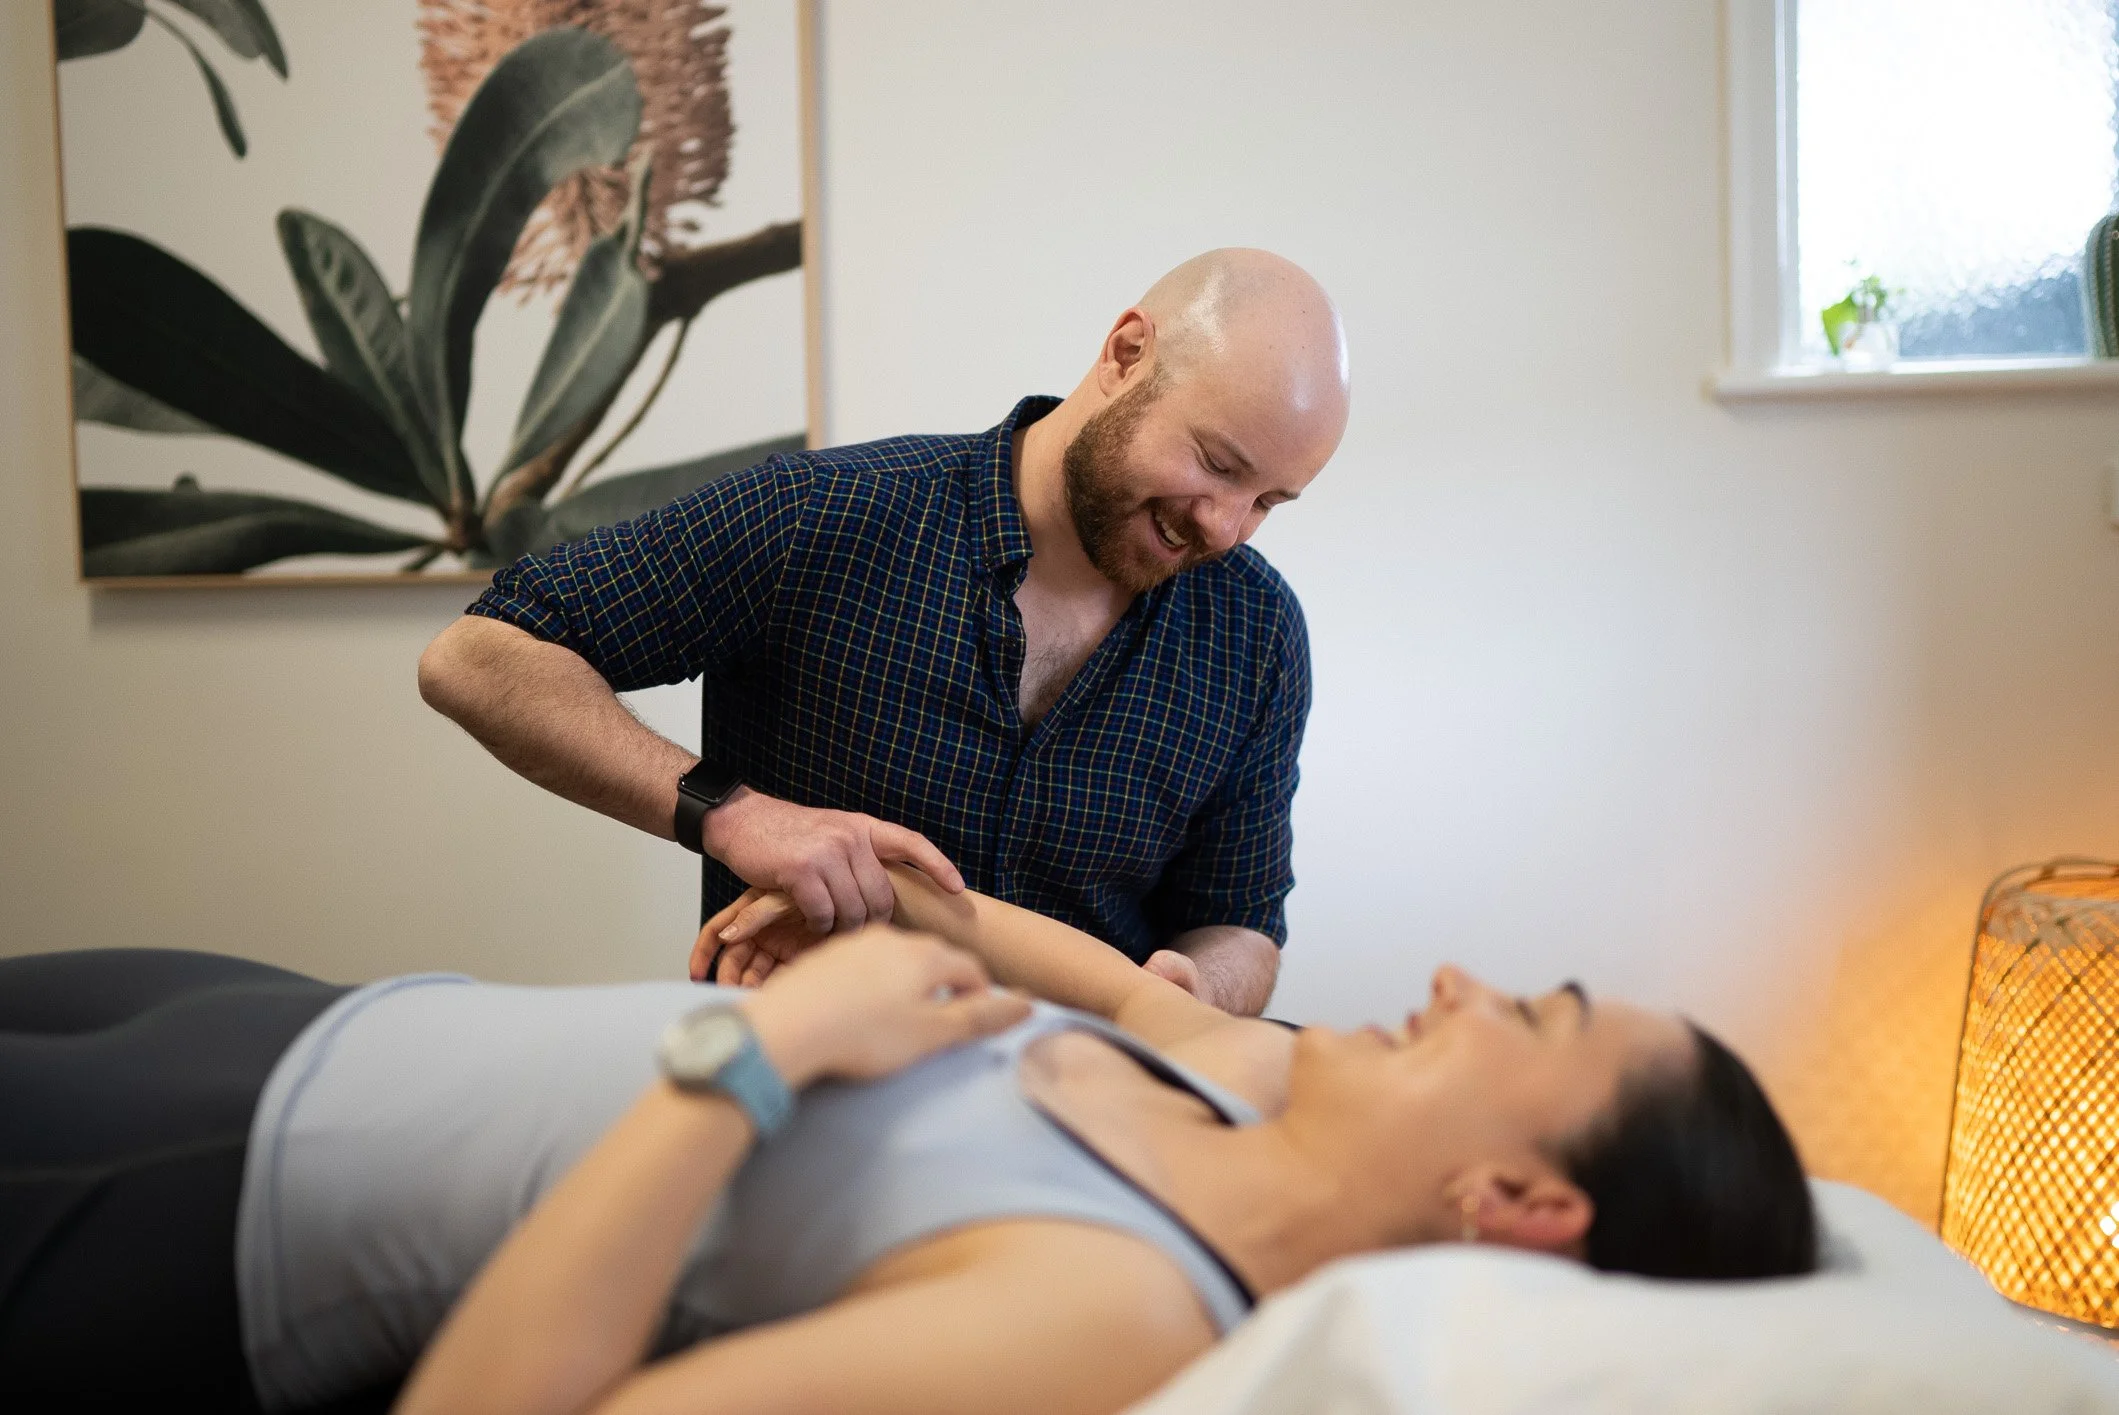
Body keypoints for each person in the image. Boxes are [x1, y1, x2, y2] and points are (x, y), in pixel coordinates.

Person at [0, 876, 1814, 1415]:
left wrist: (764, 1056)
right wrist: (864, 909)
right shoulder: (1240, 1082)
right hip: (302, 1005)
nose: (1454, 978)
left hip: (213, 1199)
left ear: (1513, 1199)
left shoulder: (1116, 1316)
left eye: (1531, 1021)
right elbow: (1011, 938)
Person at [417, 248, 1353, 1014]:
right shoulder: (825, 516)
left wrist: (1198, 986)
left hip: (1084, 1132)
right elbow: (477, 655)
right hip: (801, 1113)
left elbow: (1238, 921)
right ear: (1125, 353)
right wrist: (734, 815)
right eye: (1215, 463)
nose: (1226, 527)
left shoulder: (1256, 631)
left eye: (1268, 499)